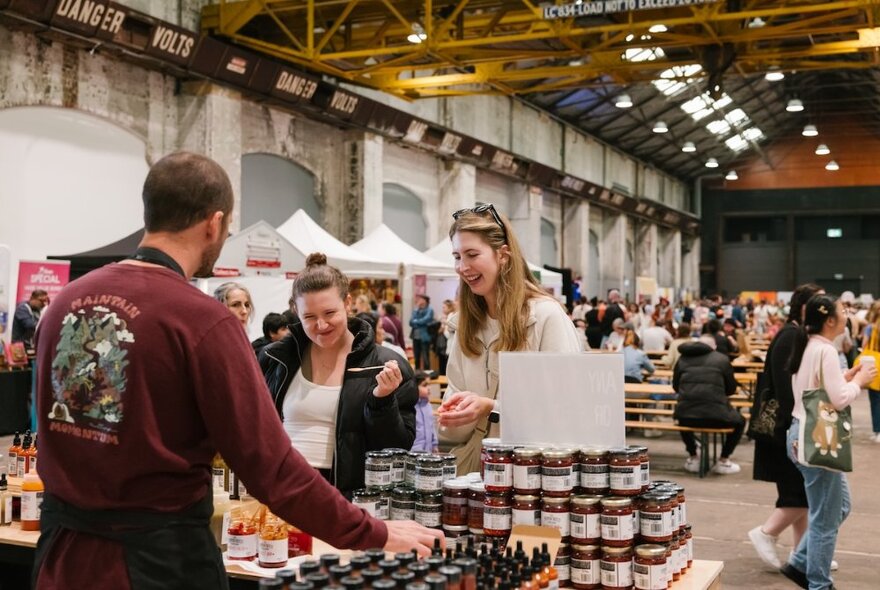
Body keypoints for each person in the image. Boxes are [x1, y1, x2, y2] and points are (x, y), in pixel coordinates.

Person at [32, 153, 441, 590]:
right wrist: (372, 532)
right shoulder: (202, 320)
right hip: (156, 564)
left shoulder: (64, 303)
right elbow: (270, 467)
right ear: (215, 223)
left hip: (60, 556)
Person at [434, 203, 581, 472]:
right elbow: (451, 424)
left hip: (535, 474)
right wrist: (455, 416)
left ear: (502, 255)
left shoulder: (546, 316)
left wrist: (491, 407)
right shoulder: (463, 324)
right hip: (474, 477)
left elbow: (568, 407)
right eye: (457, 256)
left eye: (472, 254)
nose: (462, 267)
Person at [261, 253, 417, 497]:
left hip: (349, 497)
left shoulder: (386, 364)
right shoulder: (276, 358)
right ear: (295, 311)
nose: (321, 325)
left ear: (348, 303)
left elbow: (396, 449)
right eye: (309, 317)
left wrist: (382, 401)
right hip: (282, 486)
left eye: (329, 313)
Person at [780, 293, 877, 590]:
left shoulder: (809, 346)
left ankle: (799, 563)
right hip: (816, 439)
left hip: (802, 435)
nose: (847, 315)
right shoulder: (825, 351)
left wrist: (846, 376)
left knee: (839, 507)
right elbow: (837, 399)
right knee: (825, 519)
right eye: (843, 311)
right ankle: (819, 583)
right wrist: (859, 382)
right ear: (830, 320)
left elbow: (817, 390)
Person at [749, 283, 824, 571]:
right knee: (799, 495)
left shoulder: (796, 335)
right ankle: (766, 533)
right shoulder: (790, 336)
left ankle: (802, 554)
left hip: (788, 428)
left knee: (799, 495)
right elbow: (785, 390)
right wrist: (797, 426)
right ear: (805, 308)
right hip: (783, 430)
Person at [672, 338, 745, 475]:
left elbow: (676, 387)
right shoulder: (722, 359)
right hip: (717, 416)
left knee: (682, 415)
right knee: (740, 421)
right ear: (714, 347)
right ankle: (723, 460)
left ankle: (694, 457)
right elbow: (731, 389)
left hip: (687, 416)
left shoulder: (682, 359)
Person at [861, 301, 880, 442]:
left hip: (875, 365)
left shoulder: (869, 328)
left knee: (875, 400)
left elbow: (864, 345)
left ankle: (878, 431)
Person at [411, 370, 439, 453]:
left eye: (429, 384)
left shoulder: (428, 405)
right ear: (415, 386)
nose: (429, 388)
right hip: (414, 451)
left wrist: (434, 444)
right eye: (425, 385)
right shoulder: (411, 406)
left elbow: (431, 426)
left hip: (428, 450)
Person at [409, 294, 435, 370]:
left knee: (425, 357)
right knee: (416, 357)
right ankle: (417, 374)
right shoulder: (416, 310)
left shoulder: (429, 309)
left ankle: (427, 375)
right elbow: (410, 322)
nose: (418, 301)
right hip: (415, 337)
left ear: (425, 300)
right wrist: (420, 322)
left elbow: (426, 319)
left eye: (420, 299)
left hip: (424, 337)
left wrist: (416, 322)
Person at [437, 299, 456, 375]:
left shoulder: (451, 317)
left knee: (447, 367)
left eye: (444, 307)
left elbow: (447, 334)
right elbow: (439, 331)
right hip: (445, 345)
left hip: (448, 345)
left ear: (450, 307)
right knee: (443, 365)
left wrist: (445, 326)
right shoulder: (447, 317)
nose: (443, 309)